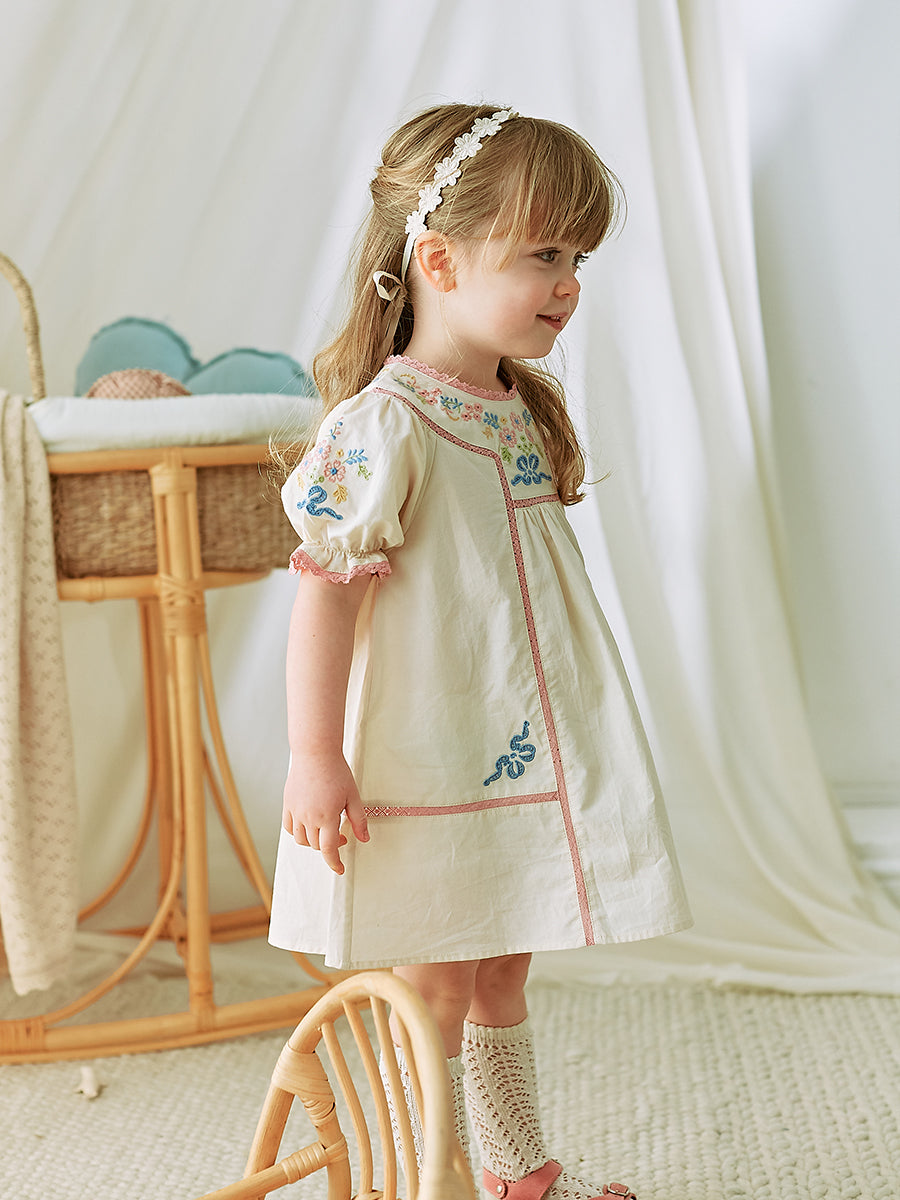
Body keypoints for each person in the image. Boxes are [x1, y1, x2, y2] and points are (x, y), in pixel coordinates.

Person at [269, 102, 691, 1200]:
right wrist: (314, 756)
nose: (569, 283)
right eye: (543, 254)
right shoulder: (386, 425)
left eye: (578, 258)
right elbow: (325, 596)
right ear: (441, 260)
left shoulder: (513, 407)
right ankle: (435, 1175)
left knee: (505, 964)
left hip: (517, 741)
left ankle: (517, 1172)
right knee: (438, 981)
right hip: (429, 750)